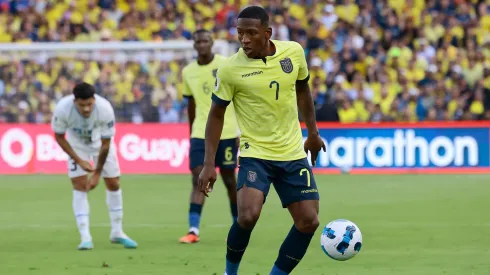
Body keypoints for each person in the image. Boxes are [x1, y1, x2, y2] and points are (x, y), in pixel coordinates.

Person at [198, 6, 326, 275]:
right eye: (240, 33)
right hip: (255, 152)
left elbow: (303, 89)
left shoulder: (293, 52)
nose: (244, 39)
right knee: (247, 216)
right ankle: (229, 273)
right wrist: (209, 162)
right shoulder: (231, 69)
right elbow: (216, 115)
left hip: (292, 153)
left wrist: (312, 133)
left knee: (308, 222)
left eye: (251, 33)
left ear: (267, 33)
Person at [51, 82, 137, 250]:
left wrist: (97, 173)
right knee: (79, 186)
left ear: (94, 100)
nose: (86, 109)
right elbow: (59, 137)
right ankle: (85, 237)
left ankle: (117, 232)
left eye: (89, 104)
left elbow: (106, 144)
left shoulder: (105, 108)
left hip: (100, 145)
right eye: (82, 105)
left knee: (114, 183)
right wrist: (78, 160)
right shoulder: (62, 108)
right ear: (74, 101)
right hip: (77, 146)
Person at [180, 29, 240, 244]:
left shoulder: (226, 64)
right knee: (198, 176)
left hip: (227, 132)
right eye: (198, 41)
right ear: (194, 45)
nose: (202, 44)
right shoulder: (188, 71)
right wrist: (190, 132)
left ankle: (238, 223)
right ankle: (193, 229)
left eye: (206, 40)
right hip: (199, 133)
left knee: (229, 180)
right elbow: (191, 104)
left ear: (212, 42)